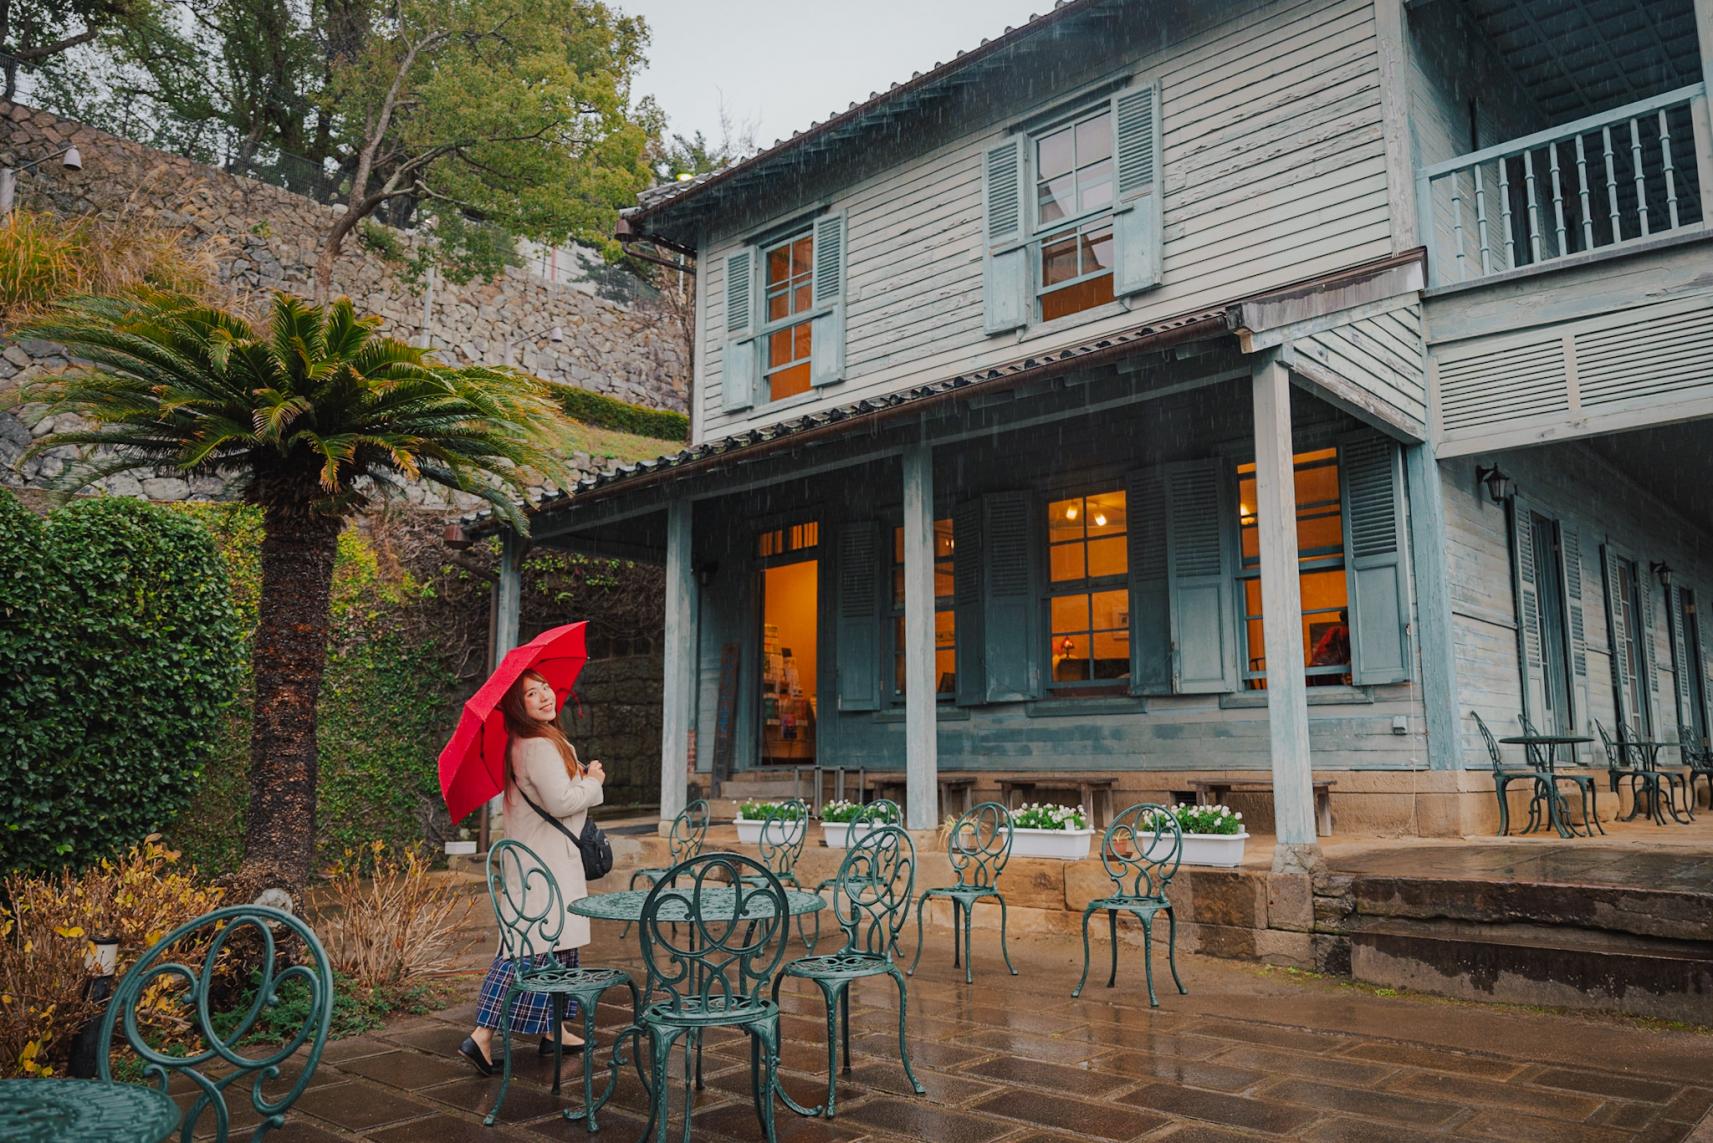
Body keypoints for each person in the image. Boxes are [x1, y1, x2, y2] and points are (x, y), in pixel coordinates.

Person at [459, 669, 605, 1075]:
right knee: (526, 951)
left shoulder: (536, 741)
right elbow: (561, 801)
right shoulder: (537, 745)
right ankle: (482, 1036)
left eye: (545, 687)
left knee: (554, 948)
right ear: (516, 706)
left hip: (539, 863)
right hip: (544, 865)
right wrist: (592, 782)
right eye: (530, 694)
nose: (543, 697)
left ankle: (554, 1029)